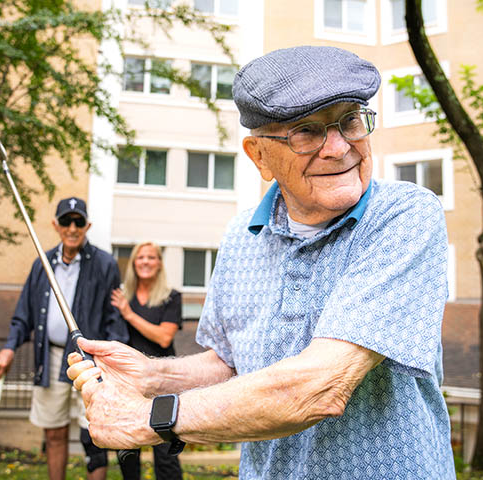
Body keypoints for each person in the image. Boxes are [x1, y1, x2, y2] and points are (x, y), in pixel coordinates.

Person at [67, 46, 455, 479]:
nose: (339, 147)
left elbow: (318, 387)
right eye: (307, 131)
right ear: (259, 156)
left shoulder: (404, 215)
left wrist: (148, 418)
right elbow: (230, 365)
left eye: (349, 120)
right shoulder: (241, 236)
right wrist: (152, 378)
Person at [0, 196, 128, 480]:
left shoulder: (105, 264)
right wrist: (9, 348)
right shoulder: (41, 264)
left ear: (87, 225)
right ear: (56, 225)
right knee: (54, 433)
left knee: (95, 434)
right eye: (66, 221)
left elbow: (114, 320)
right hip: (50, 357)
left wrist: (111, 363)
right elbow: (23, 314)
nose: (73, 227)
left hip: (90, 362)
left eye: (79, 221)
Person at [109, 242, 183, 480]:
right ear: (133, 263)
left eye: (152, 257)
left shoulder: (171, 298)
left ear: (159, 263)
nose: (146, 261)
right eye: (140, 257)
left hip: (161, 383)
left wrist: (129, 315)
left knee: (164, 448)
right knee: (127, 447)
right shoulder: (123, 297)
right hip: (129, 383)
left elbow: (164, 337)